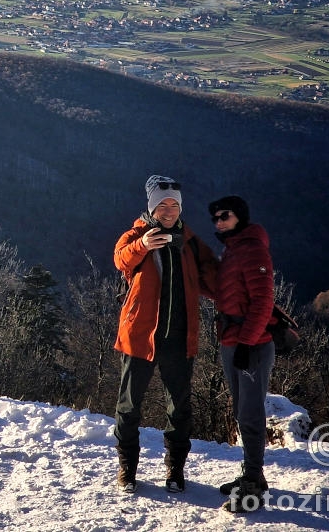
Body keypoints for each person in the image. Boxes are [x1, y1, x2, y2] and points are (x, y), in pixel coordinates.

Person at [112, 175, 218, 494]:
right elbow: (120, 259)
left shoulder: (189, 240)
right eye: (163, 205)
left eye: (174, 204)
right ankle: (127, 469)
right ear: (152, 207)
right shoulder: (138, 234)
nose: (169, 210)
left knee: (179, 407)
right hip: (141, 337)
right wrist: (142, 245)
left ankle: (175, 469)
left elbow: (213, 274)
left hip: (179, 338)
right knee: (129, 406)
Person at [209, 195, 276, 512]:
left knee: (250, 413)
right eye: (216, 218)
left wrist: (247, 344)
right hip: (232, 340)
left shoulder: (252, 250)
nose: (219, 222)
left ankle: (252, 486)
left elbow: (263, 302)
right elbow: (227, 293)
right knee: (241, 410)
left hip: (252, 343)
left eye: (225, 216)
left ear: (241, 217)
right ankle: (253, 475)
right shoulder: (233, 249)